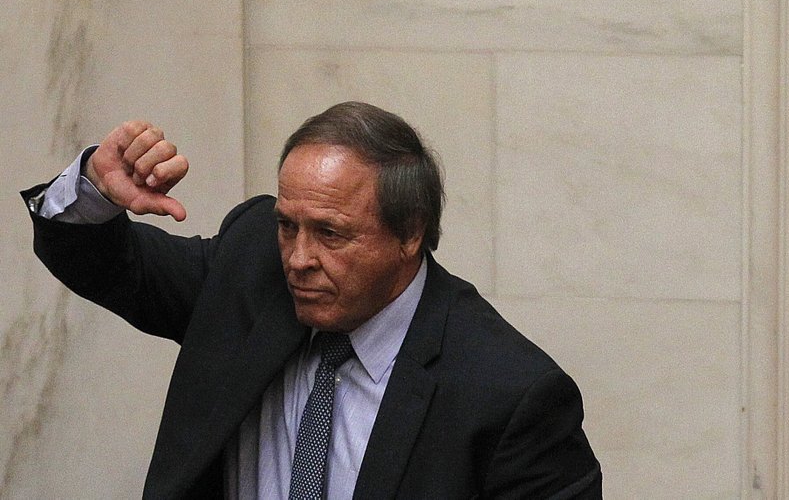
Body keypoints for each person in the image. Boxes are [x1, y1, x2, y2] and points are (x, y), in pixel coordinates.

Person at [22, 102, 602, 499]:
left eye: (331, 233)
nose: (298, 258)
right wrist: (97, 191)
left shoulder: (511, 395)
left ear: (410, 234)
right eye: (288, 225)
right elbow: (105, 263)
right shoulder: (252, 266)